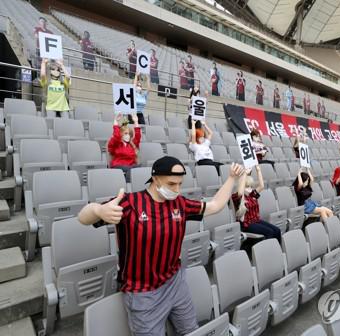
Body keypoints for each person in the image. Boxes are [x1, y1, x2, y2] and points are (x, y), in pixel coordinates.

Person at [78, 156, 245, 336]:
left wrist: (231, 178)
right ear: (155, 178)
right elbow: (82, 218)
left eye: (180, 184)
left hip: (175, 282)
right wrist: (98, 210)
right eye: (172, 184)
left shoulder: (179, 203)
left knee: (190, 331)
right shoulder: (130, 203)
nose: (177, 189)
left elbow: (214, 205)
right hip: (142, 292)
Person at [232, 166, 281, 241]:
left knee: (277, 230)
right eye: (247, 187)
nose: (250, 189)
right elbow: (240, 192)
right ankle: (268, 251)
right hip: (246, 224)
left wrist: (258, 170)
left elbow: (261, 186)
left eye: (251, 186)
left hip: (256, 220)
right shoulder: (237, 197)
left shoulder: (251, 195)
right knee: (270, 232)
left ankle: (277, 250)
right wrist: (245, 174)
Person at [108, 113, 141, 178]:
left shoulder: (132, 144)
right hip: (118, 167)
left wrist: (136, 122)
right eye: (125, 134)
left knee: (139, 169)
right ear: (121, 134)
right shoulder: (116, 143)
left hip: (131, 167)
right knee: (131, 171)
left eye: (129, 134)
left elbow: (137, 137)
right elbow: (116, 136)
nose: (128, 136)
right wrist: (116, 122)